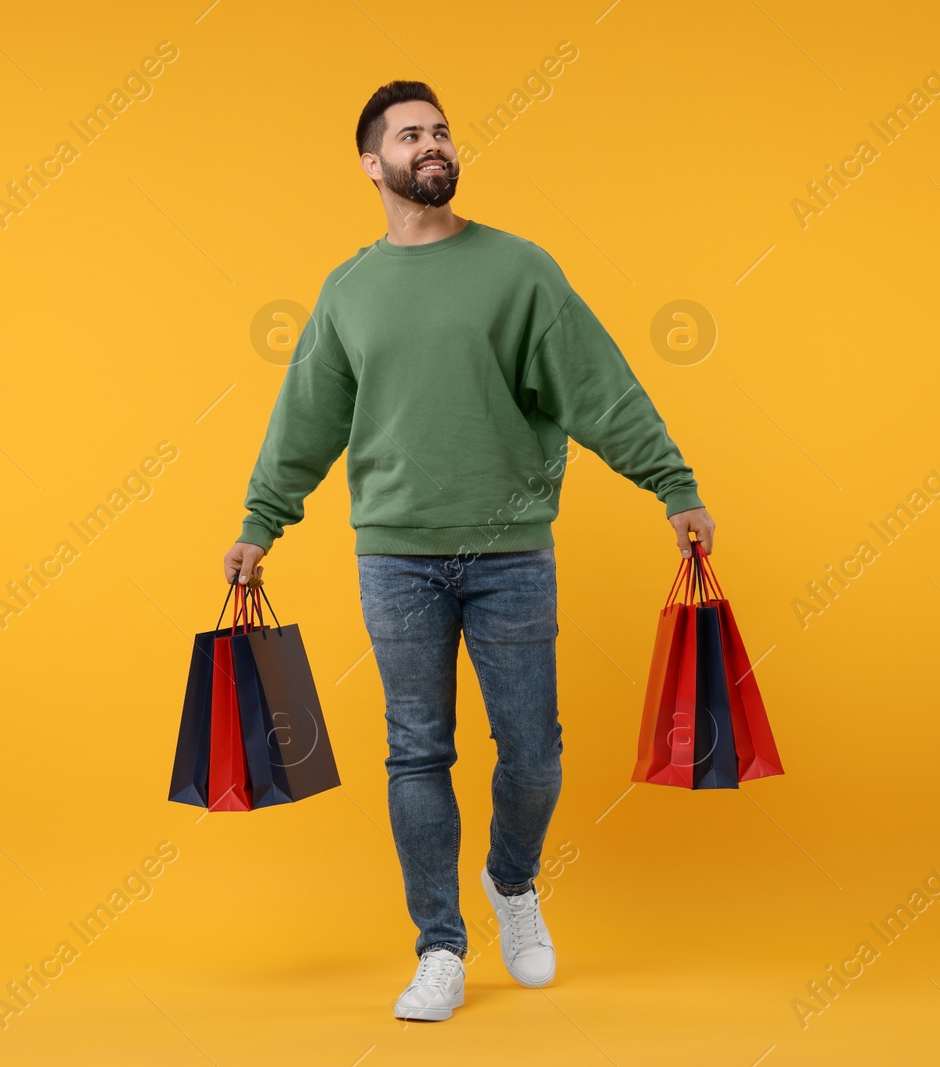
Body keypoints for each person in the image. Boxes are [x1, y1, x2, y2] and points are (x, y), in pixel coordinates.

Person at [221, 80, 714, 1022]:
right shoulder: (350, 291)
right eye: (411, 135)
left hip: (510, 554)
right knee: (417, 753)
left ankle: (512, 882)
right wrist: (261, 518)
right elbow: (306, 419)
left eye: (441, 131)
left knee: (535, 753)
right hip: (396, 557)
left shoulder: (520, 271)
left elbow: (599, 389)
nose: (433, 143)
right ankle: (440, 947)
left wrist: (672, 485)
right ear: (373, 165)